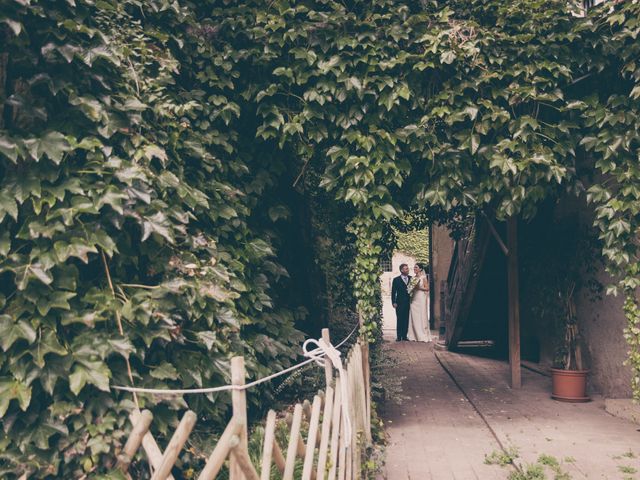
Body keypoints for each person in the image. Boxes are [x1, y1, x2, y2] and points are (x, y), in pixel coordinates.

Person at [408, 263, 433, 343]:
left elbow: (427, 288)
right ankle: (414, 335)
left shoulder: (423, 277)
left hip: (421, 297)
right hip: (414, 298)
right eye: (414, 267)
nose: (414, 268)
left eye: (416, 267)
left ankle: (422, 335)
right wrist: (410, 289)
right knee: (414, 316)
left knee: (421, 315)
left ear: (421, 269)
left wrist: (419, 288)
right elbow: (410, 288)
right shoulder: (413, 278)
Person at [391, 263, 411, 341]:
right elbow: (393, 292)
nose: (408, 270)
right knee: (399, 319)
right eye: (406, 269)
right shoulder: (396, 280)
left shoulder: (411, 278)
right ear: (402, 270)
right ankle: (399, 336)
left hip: (408, 302)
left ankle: (405, 336)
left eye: (408, 268)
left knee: (406, 319)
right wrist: (394, 302)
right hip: (399, 303)